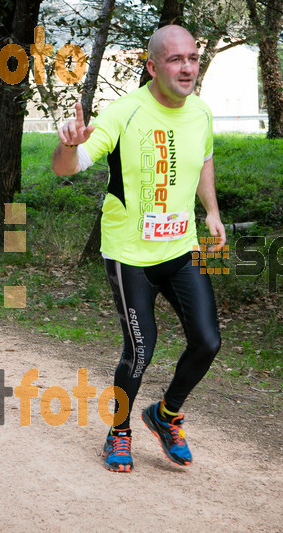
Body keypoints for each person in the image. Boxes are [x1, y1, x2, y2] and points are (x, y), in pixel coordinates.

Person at [51, 25, 225, 473]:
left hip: (182, 247)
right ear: (152, 66)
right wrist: (68, 144)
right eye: (175, 59)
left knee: (207, 342)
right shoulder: (124, 114)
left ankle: (165, 416)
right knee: (140, 349)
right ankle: (119, 432)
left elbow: (203, 156)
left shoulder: (202, 113)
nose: (186, 67)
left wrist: (212, 211)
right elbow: (69, 167)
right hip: (130, 256)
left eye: (192, 58)